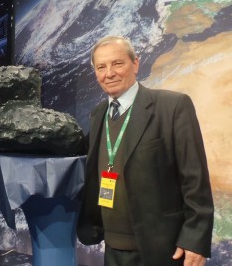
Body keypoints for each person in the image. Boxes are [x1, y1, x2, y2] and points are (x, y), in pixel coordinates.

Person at [77, 35, 214, 266]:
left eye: (117, 63)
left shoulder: (172, 107)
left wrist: (195, 239)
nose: (109, 73)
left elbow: (195, 180)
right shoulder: (99, 114)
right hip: (112, 247)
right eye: (101, 67)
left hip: (162, 249)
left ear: (136, 64)